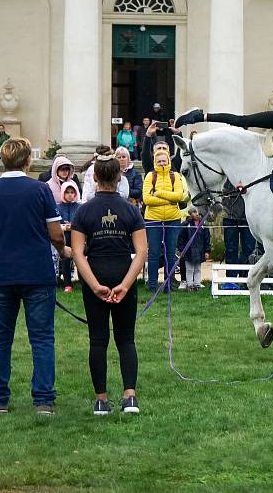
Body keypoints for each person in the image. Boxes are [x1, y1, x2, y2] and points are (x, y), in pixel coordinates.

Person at [0, 137, 71, 415]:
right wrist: (61, 250)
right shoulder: (40, 190)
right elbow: (55, 233)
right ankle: (43, 400)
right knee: (41, 338)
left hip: (2, 272)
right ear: (28, 160)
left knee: (0, 338)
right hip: (37, 271)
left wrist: (1, 248)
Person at [71, 152, 147, 415]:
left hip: (96, 276)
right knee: (126, 340)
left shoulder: (83, 211)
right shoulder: (130, 209)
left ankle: (101, 399)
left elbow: (78, 253)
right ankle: (130, 397)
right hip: (123, 273)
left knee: (98, 340)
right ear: (119, 177)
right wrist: (126, 284)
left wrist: (93, 285)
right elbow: (142, 252)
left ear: (94, 178)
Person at [142, 147, 184, 293]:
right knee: (153, 253)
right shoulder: (149, 176)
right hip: (153, 219)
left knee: (171, 253)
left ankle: (168, 284)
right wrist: (169, 200)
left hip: (173, 219)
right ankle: (152, 285)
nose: (161, 163)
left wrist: (158, 193)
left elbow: (178, 196)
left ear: (168, 161)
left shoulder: (175, 176)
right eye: (158, 161)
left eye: (163, 160)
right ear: (155, 161)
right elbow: (147, 199)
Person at [221, 180, 256, 288]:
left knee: (249, 249)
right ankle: (231, 280)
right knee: (231, 249)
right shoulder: (227, 175)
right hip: (230, 216)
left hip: (247, 217)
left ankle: (245, 277)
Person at [177, 208, 211, 291]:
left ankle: (197, 284)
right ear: (190, 214)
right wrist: (182, 250)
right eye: (194, 212)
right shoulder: (186, 225)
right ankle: (189, 284)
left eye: (199, 212)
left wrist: (207, 251)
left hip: (200, 251)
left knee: (198, 269)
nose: (197, 214)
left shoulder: (203, 226)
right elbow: (180, 238)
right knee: (189, 269)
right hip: (188, 252)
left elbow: (207, 239)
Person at [58, 180, 81, 293]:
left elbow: (81, 222)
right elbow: (56, 224)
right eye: (67, 192)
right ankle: (67, 283)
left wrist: (73, 226)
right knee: (66, 260)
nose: (70, 194)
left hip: (77, 237)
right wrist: (65, 227)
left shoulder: (79, 207)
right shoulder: (58, 208)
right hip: (64, 238)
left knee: (79, 259)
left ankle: (83, 281)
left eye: (72, 192)